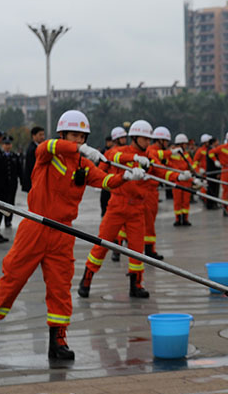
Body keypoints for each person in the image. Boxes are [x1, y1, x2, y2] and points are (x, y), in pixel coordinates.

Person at [0, 110, 145, 361]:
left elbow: (105, 181)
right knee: (12, 279)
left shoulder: (84, 164)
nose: (78, 140)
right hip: (35, 227)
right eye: (73, 135)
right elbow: (49, 145)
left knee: (61, 288)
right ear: (63, 134)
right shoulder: (48, 154)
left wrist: (126, 176)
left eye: (82, 136)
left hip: (63, 232)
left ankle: (58, 340)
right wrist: (79, 149)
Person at [78, 120, 187, 299]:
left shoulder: (148, 158)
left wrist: (180, 177)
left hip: (137, 208)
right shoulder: (121, 151)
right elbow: (113, 156)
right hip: (117, 206)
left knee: (137, 249)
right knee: (102, 244)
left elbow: (161, 173)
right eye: (144, 139)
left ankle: (136, 285)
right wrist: (135, 159)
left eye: (149, 139)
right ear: (135, 138)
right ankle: (87, 279)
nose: (147, 142)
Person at [143, 126, 172, 259]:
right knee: (148, 223)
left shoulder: (155, 151)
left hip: (152, 191)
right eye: (166, 141)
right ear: (160, 140)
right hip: (147, 191)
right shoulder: (152, 151)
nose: (167, 144)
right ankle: (149, 250)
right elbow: (161, 170)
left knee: (149, 222)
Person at [167, 133, 204, 226]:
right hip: (177, 180)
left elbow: (191, 166)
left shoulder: (186, 154)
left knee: (186, 202)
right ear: (180, 144)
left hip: (186, 181)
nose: (186, 146)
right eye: (185, 144)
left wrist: (197, 175)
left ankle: (185, 218)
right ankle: (178, 219)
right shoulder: (172, 154)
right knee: (177, 201)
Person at [1, 136, 23, 227]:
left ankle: (8, 220)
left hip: (12, 184)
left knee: (10, 202)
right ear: (3, 145)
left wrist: (22, 182)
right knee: (2, 202)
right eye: (6, 144)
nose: (7, 146)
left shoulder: (15, 156)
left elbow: (20, 170)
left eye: (9, 144)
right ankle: (1, 220)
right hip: (2, 184)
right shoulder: (0, 156)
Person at [22, 126, 45, 193]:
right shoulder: (33, 149)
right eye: (40, 135)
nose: (42, 137)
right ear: (34, 136)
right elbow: (34, 168)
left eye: (43, 134)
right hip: (34, 183)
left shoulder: (39, 147)